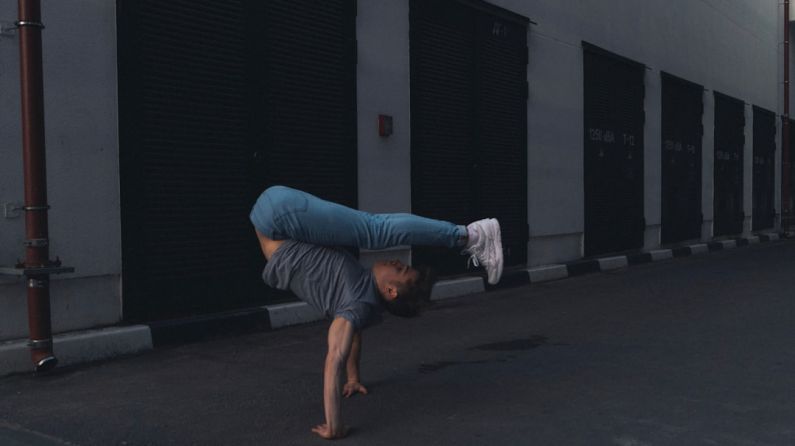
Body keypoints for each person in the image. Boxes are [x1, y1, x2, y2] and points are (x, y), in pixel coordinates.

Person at [249, 185, 503, 439]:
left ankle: (471, 235)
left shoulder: (358, 305)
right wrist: (354, 376)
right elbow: (352, 333)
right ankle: (468, 235)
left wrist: (335, 422)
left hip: (278, 216)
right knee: (372, 230)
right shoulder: (361, 300)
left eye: (400, 269)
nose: (396, 262)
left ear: (391, 291)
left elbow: (336, 354)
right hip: (277, 217)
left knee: (374, 230)